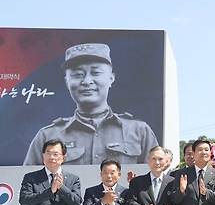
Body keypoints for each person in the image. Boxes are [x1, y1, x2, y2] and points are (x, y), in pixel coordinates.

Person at [24, 43, 159, 165]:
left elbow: (155, 179)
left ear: (111, 78)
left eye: (96, 73)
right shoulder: (47, 136)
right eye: (78, 74)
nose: (87, 81)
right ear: (67, 81)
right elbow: (28, 184)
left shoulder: (139, 131)